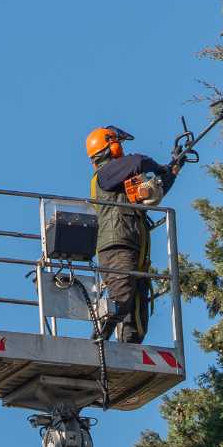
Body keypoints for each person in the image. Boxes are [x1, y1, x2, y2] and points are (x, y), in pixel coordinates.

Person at [85, 125, 179, 343]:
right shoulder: (105, 173)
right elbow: (138, 161)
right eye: (118, 142)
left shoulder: (120, 178)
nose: (122, 148)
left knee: (137, 315)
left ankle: (129, 350)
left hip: (136, 249)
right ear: (109, 146)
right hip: (117, 246)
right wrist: (158, 167)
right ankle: (98, 339)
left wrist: (173, 169)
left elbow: (155, 188)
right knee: (122, 297)